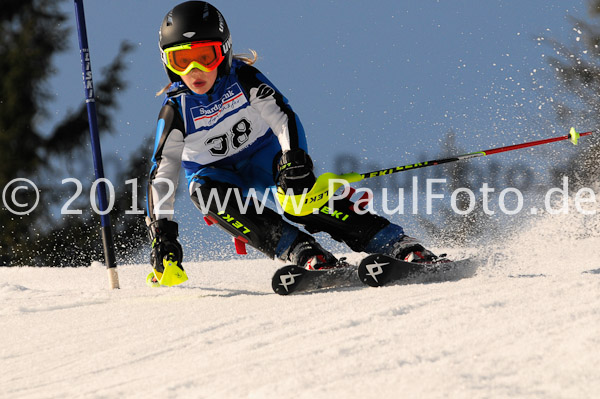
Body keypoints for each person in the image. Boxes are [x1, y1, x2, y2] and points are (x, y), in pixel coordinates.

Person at [146, 1, 438, 287]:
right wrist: (162, 234)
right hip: (214, 174)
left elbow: (282, 116)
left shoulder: (242, 79)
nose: (195, 70)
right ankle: (303, 251)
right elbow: (163, 172)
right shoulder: (176, 111)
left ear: (224, 52)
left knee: (299, 198)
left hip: (263, 157)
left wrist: (293, 160)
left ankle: (395, 243)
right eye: (181, 61)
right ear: (167, 63)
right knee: (207, 196)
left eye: (205, 57)